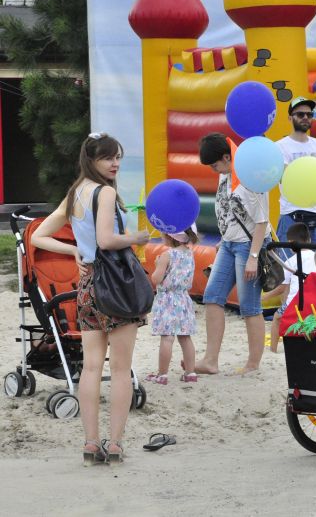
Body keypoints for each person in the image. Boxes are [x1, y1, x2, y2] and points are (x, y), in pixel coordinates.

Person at [30, 133, 150, 465]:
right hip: (115, 285)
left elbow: (38, 235)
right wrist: (136, 237)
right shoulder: (106, 192)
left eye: (118, 157)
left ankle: (89, 443)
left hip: (87, 288)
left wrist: (73, 250)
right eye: (108, 158)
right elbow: (106, 239)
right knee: (122, 369)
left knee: (91, 368)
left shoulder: (75, 194)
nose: (115, 164)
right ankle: (113, 444)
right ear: (92, 161)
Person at [196, 133, 271, 375]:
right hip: (229, 243)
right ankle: (210, 360)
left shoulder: (249, 178)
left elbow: (262, 222)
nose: (214, 170)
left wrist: (253, 257)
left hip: (249, 246)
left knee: (250, 306)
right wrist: (223, 238)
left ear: (227, 157)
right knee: (212, 296)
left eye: (215, 165)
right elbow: (229, 211)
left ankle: (253, 364)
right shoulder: (226, 174)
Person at [276, 97, 316, 249]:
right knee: (289, 267)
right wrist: (313, 176)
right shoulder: (279, 147)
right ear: (290, 118)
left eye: (309, 114)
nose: (306, 117)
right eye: (300, 114)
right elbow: (285, 179)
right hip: (290, 214)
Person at [146, 227, 198, 385]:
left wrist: (156, 265)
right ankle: (190, 373)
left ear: (170, 235)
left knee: (167, 338)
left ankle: (162, 375)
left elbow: (156, 279)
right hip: (183, 299)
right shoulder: (190, 254)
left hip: (168, 300)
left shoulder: (166, 255)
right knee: (185, 337)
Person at [263, 223, 315, 353]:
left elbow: (282, 287)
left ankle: (273, 349)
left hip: (296, 303)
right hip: (314, 302)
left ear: (290, 243)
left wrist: (265, 297)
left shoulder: (290, 262)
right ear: (309, 239)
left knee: (277, 318)